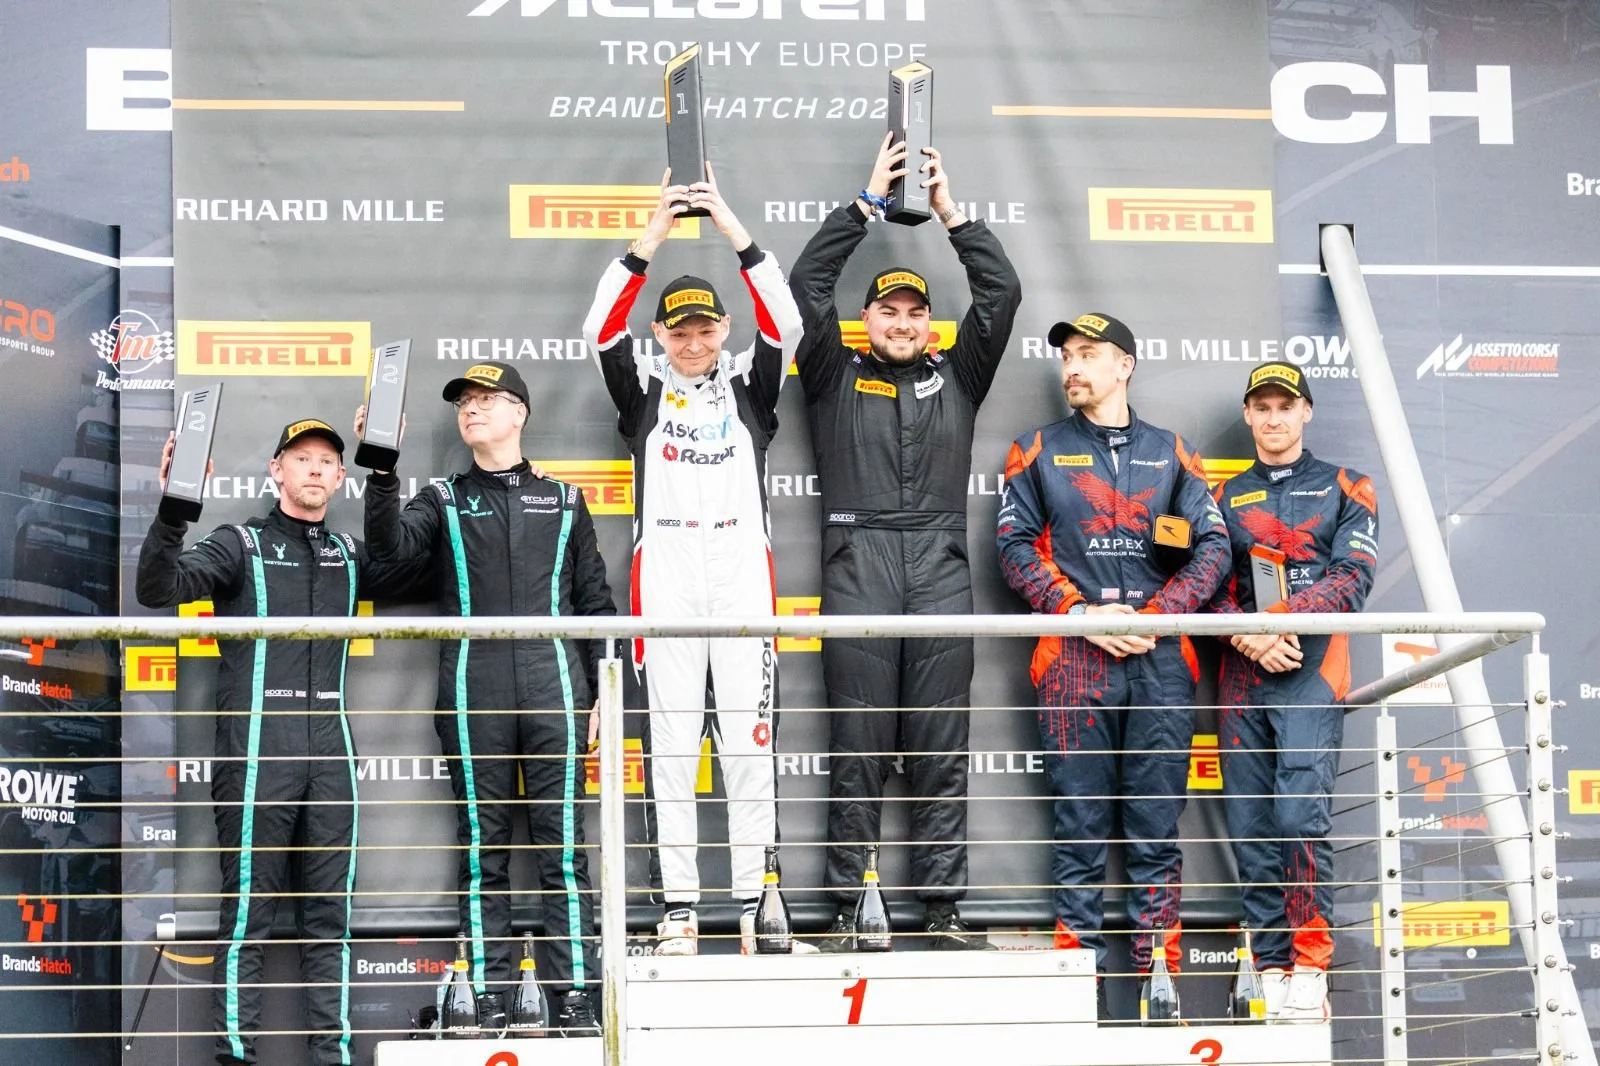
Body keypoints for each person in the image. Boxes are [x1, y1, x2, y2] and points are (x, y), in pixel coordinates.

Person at [788, 133, 1022, 951]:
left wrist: (951, 214)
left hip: (939, 565)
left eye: (915, 312)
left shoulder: (959, 374)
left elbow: (1001, 291)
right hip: (858, 563)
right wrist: (864, 207)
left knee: (940, 742)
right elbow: (804, 285)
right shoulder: (831, 374)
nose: (901, 321)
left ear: (931, 325)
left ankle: (943, 908)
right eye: (887, 310)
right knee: (855, 745)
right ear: (866, 321)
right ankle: (849, 910)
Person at [582, 168, 805, 956]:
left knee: (750, 750)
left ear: (723, 330)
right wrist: (653, 234)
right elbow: (600, 330)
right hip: (667, 589)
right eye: (678, 332)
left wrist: (731, 226)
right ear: (661, 336)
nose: (693, 343)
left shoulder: (752, 390)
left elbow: (786, 321)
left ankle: (756, 908)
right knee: (671, 751)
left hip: (744, 586)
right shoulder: (641, 393)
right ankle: (677, 910)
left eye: (705, 329)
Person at [137, 418, 407, 1066]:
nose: (315, 468)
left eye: (327, 461)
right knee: (247, 917)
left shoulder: (349, 553)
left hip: (332, 750)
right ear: (276, 470)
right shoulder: (240, 545)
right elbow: (157, 589)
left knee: (330, 919)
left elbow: (411, 562)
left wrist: (385, 473)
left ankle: (333, 1056)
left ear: (339, 479)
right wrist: (173, 508)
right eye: (301, 458)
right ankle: (235, 1056)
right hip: (257, 746)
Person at [362, 362, 614, 1035]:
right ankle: (488, 998)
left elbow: (596, 604)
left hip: (555, 683)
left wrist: (606, 691)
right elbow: (386, 558)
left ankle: (577, 998)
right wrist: (382, 472)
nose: (471, 410)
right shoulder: (443, 499)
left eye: (486, 399)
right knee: (482, 854)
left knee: (564, 853)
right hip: (474, 686)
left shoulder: (565, 499)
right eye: (463, 403)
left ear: (520, 412)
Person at [996, 313, 1230, 1012]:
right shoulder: (1037, 448)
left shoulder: (1174, 451)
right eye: (1067, 355)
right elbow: (1013, 546)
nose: (1072, 366)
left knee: (1158, 831)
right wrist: (1079, 614)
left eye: (1088, 354)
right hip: (1073, 658)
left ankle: (1162, 985)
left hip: (1161, 659)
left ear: (1124, 365)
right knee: (1079, 830)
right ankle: (1079, 991)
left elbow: (1214, 547)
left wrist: (1154, 618)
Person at [1210, 362, 1378, 1024]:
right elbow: (1206, 587)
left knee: (1299, 819)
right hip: (1243, 672)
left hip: (1312, 668)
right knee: (1251, 829)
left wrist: (1275, 622)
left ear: (1306, 411)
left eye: (1286, 405)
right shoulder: (1222, 495)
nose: (1274, 417)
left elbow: (1353, 577)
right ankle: (1273, 966)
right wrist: (1250, 636)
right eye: (1262, 406)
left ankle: (1311, 965)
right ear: (1248, 415)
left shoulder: (1347, 485)